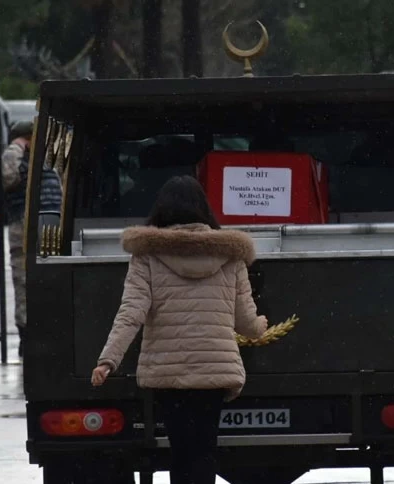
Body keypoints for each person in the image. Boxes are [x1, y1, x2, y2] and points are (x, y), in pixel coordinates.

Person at [91, 176, 268, 484]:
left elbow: (131, 313)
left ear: (161, 210)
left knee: (181, 451)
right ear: (203, 209)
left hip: (168, 372)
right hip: (214, 370)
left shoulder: (146, 255)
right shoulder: (231, 254)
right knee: (203, 451)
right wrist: (260, 328)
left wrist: (108, 360)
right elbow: (245, 320)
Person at [1, 119, 62, 357]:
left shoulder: (47, 157)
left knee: (51, 278)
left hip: (48, 225)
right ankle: (27, 335)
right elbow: (9, 178)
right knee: (24, 280)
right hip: (24, 226)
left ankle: (47, 333)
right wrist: (16, 147)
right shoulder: (15, 156)